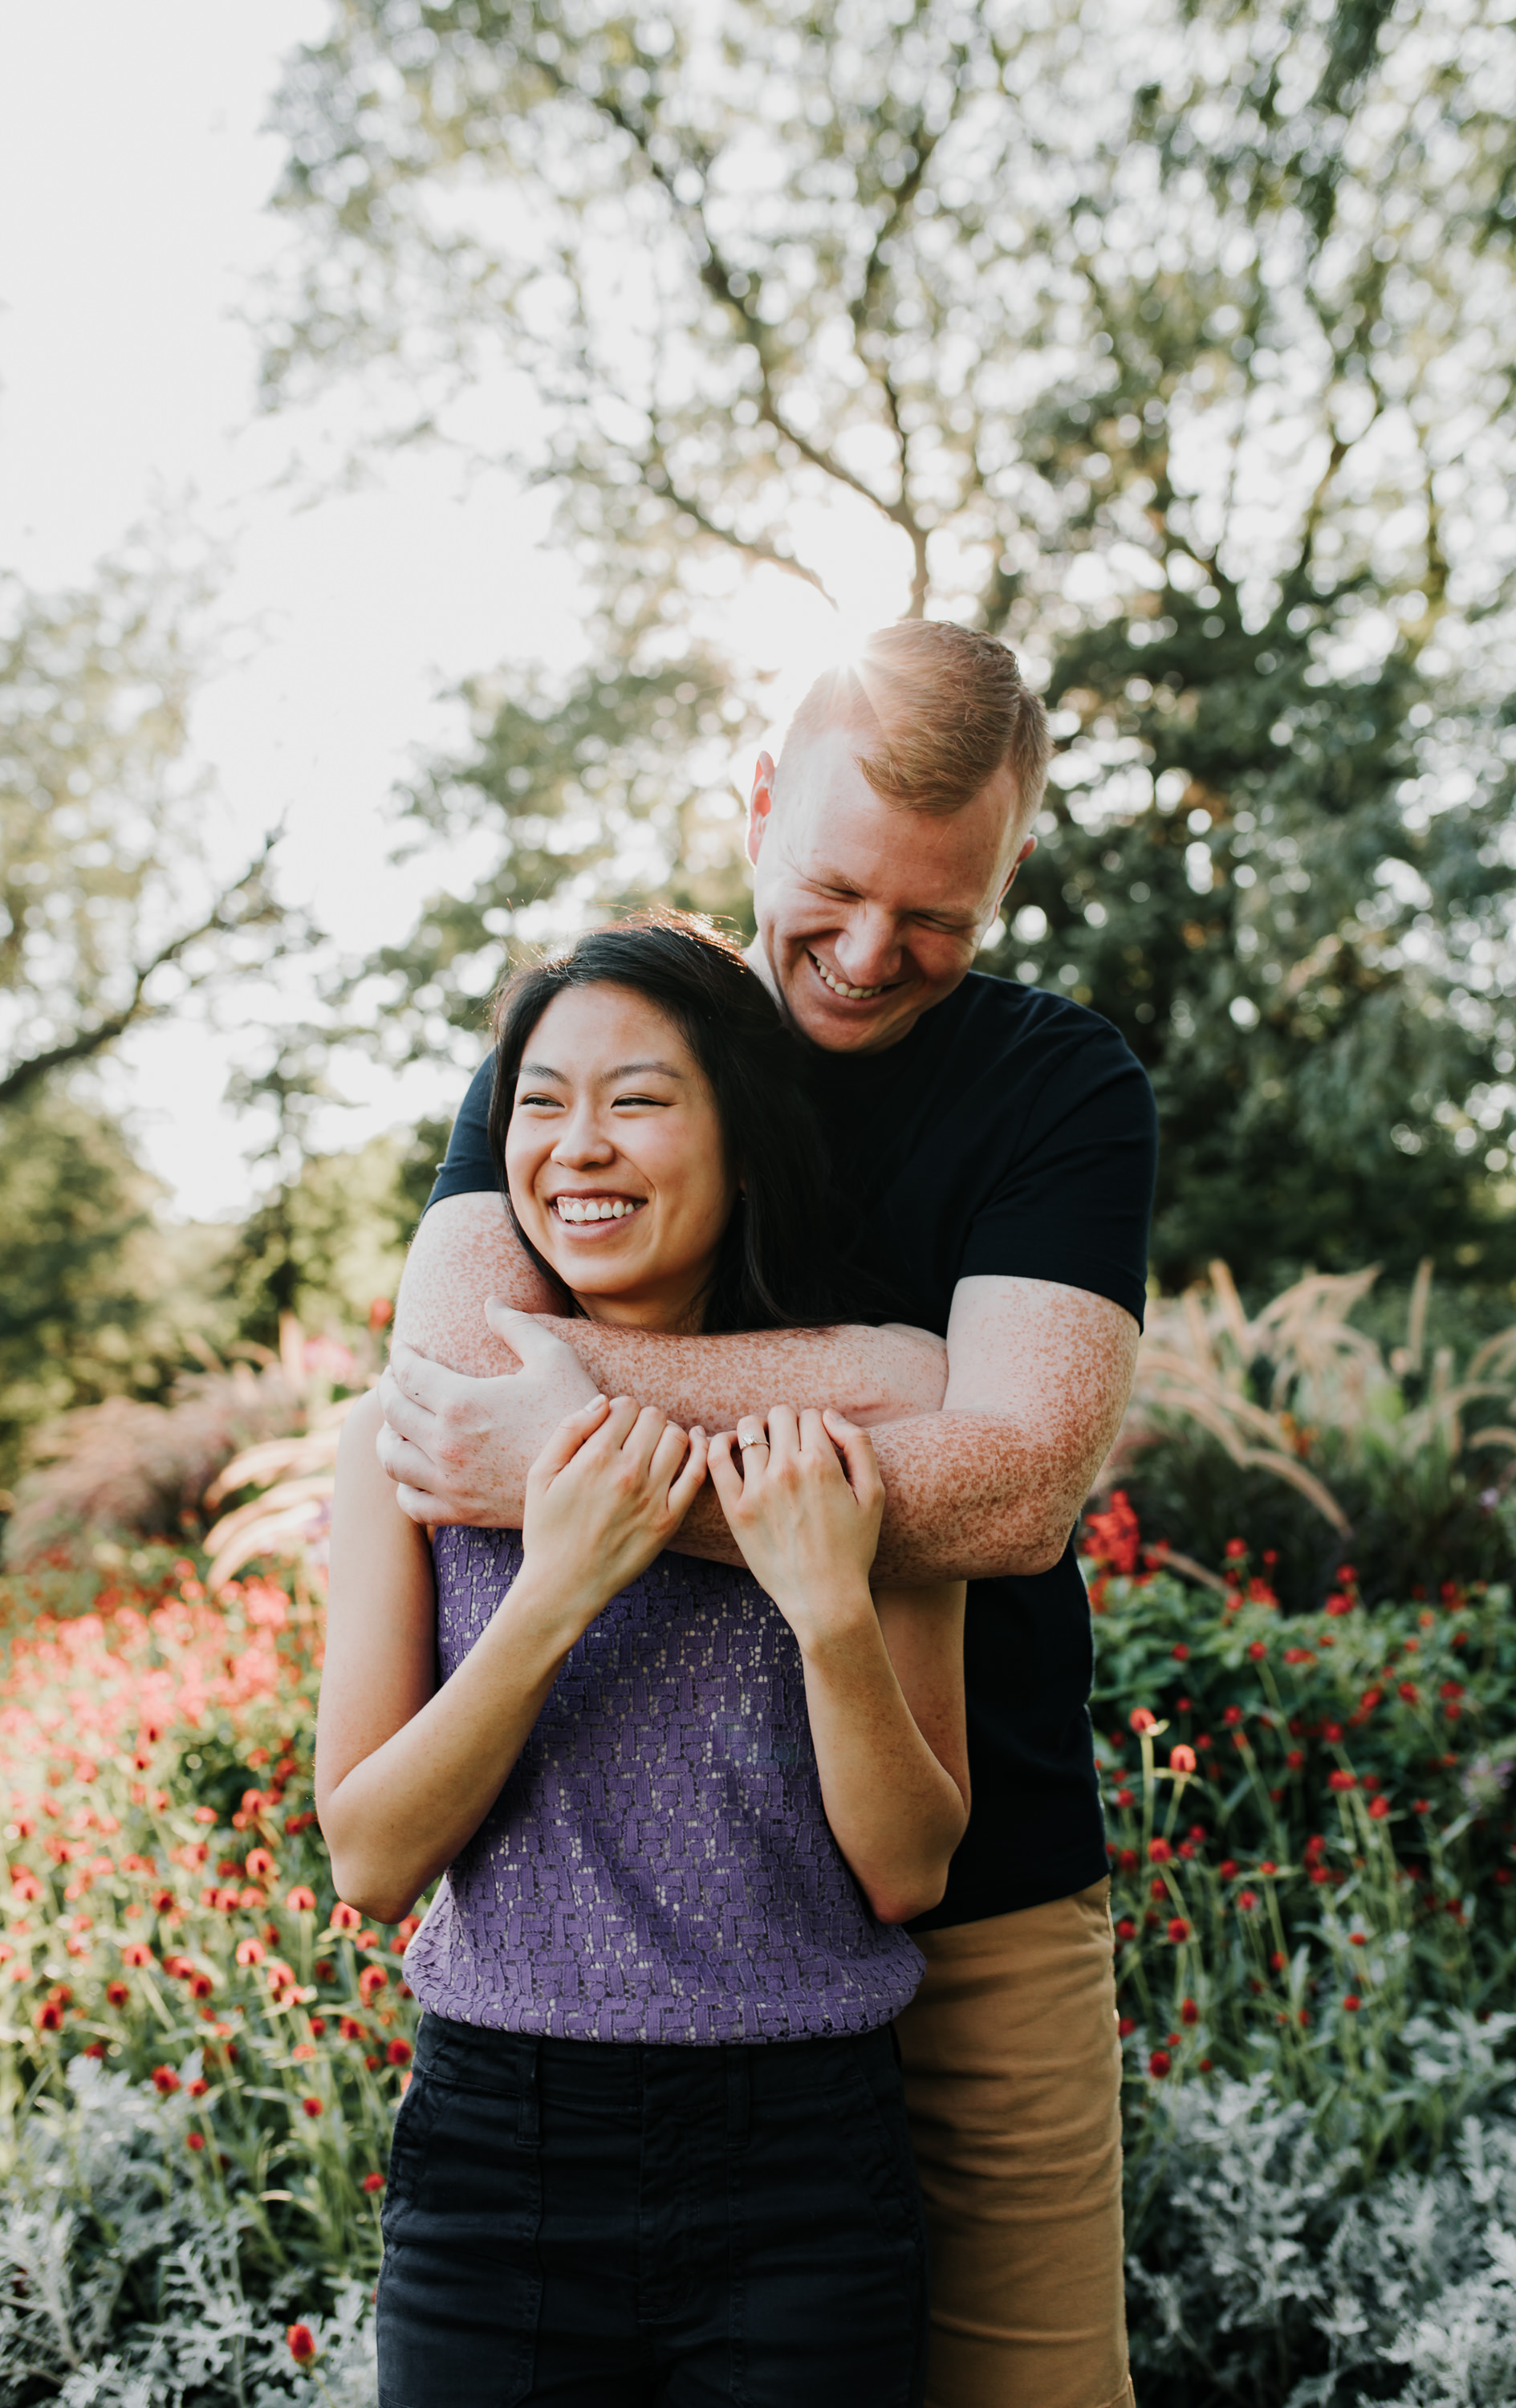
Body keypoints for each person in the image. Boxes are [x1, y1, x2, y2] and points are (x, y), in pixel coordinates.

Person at [378, 620, 1158, 2408]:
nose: (875, 955)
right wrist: (882, 1391)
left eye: (939, 919)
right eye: (835, 889)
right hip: (616, 1944)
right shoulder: (606, 1039)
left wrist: (586, 1442)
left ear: (1009, 877)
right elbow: (446, 1399)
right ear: (755, 806)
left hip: (975, 1887)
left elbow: (1018, 1486)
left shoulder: (1058, 1089)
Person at [319, 917, 969, 2406]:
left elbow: (910, 1870)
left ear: (743, 1133)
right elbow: (368, 1857)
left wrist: (828, 1609)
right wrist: (556, 1590)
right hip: (499, 2165)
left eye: (639, 1099)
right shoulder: (405, 1444)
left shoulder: (856, 1441)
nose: (579, 1148)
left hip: (805, 2171)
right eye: (541, 1104)